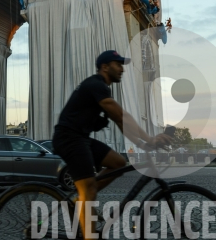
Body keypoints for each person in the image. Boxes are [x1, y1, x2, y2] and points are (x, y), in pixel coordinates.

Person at [52, 50, 172, 239]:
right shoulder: (96, 85)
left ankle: (80, 199)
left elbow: (121, 122)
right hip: (69, 138)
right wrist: (149, 139)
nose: (122, 69)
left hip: (79, 137)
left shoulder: (101, 89)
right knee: (89, 188)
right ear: (105, 67)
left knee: (118, 163)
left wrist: (142, 143)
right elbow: (120, 115)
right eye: (118, 64)